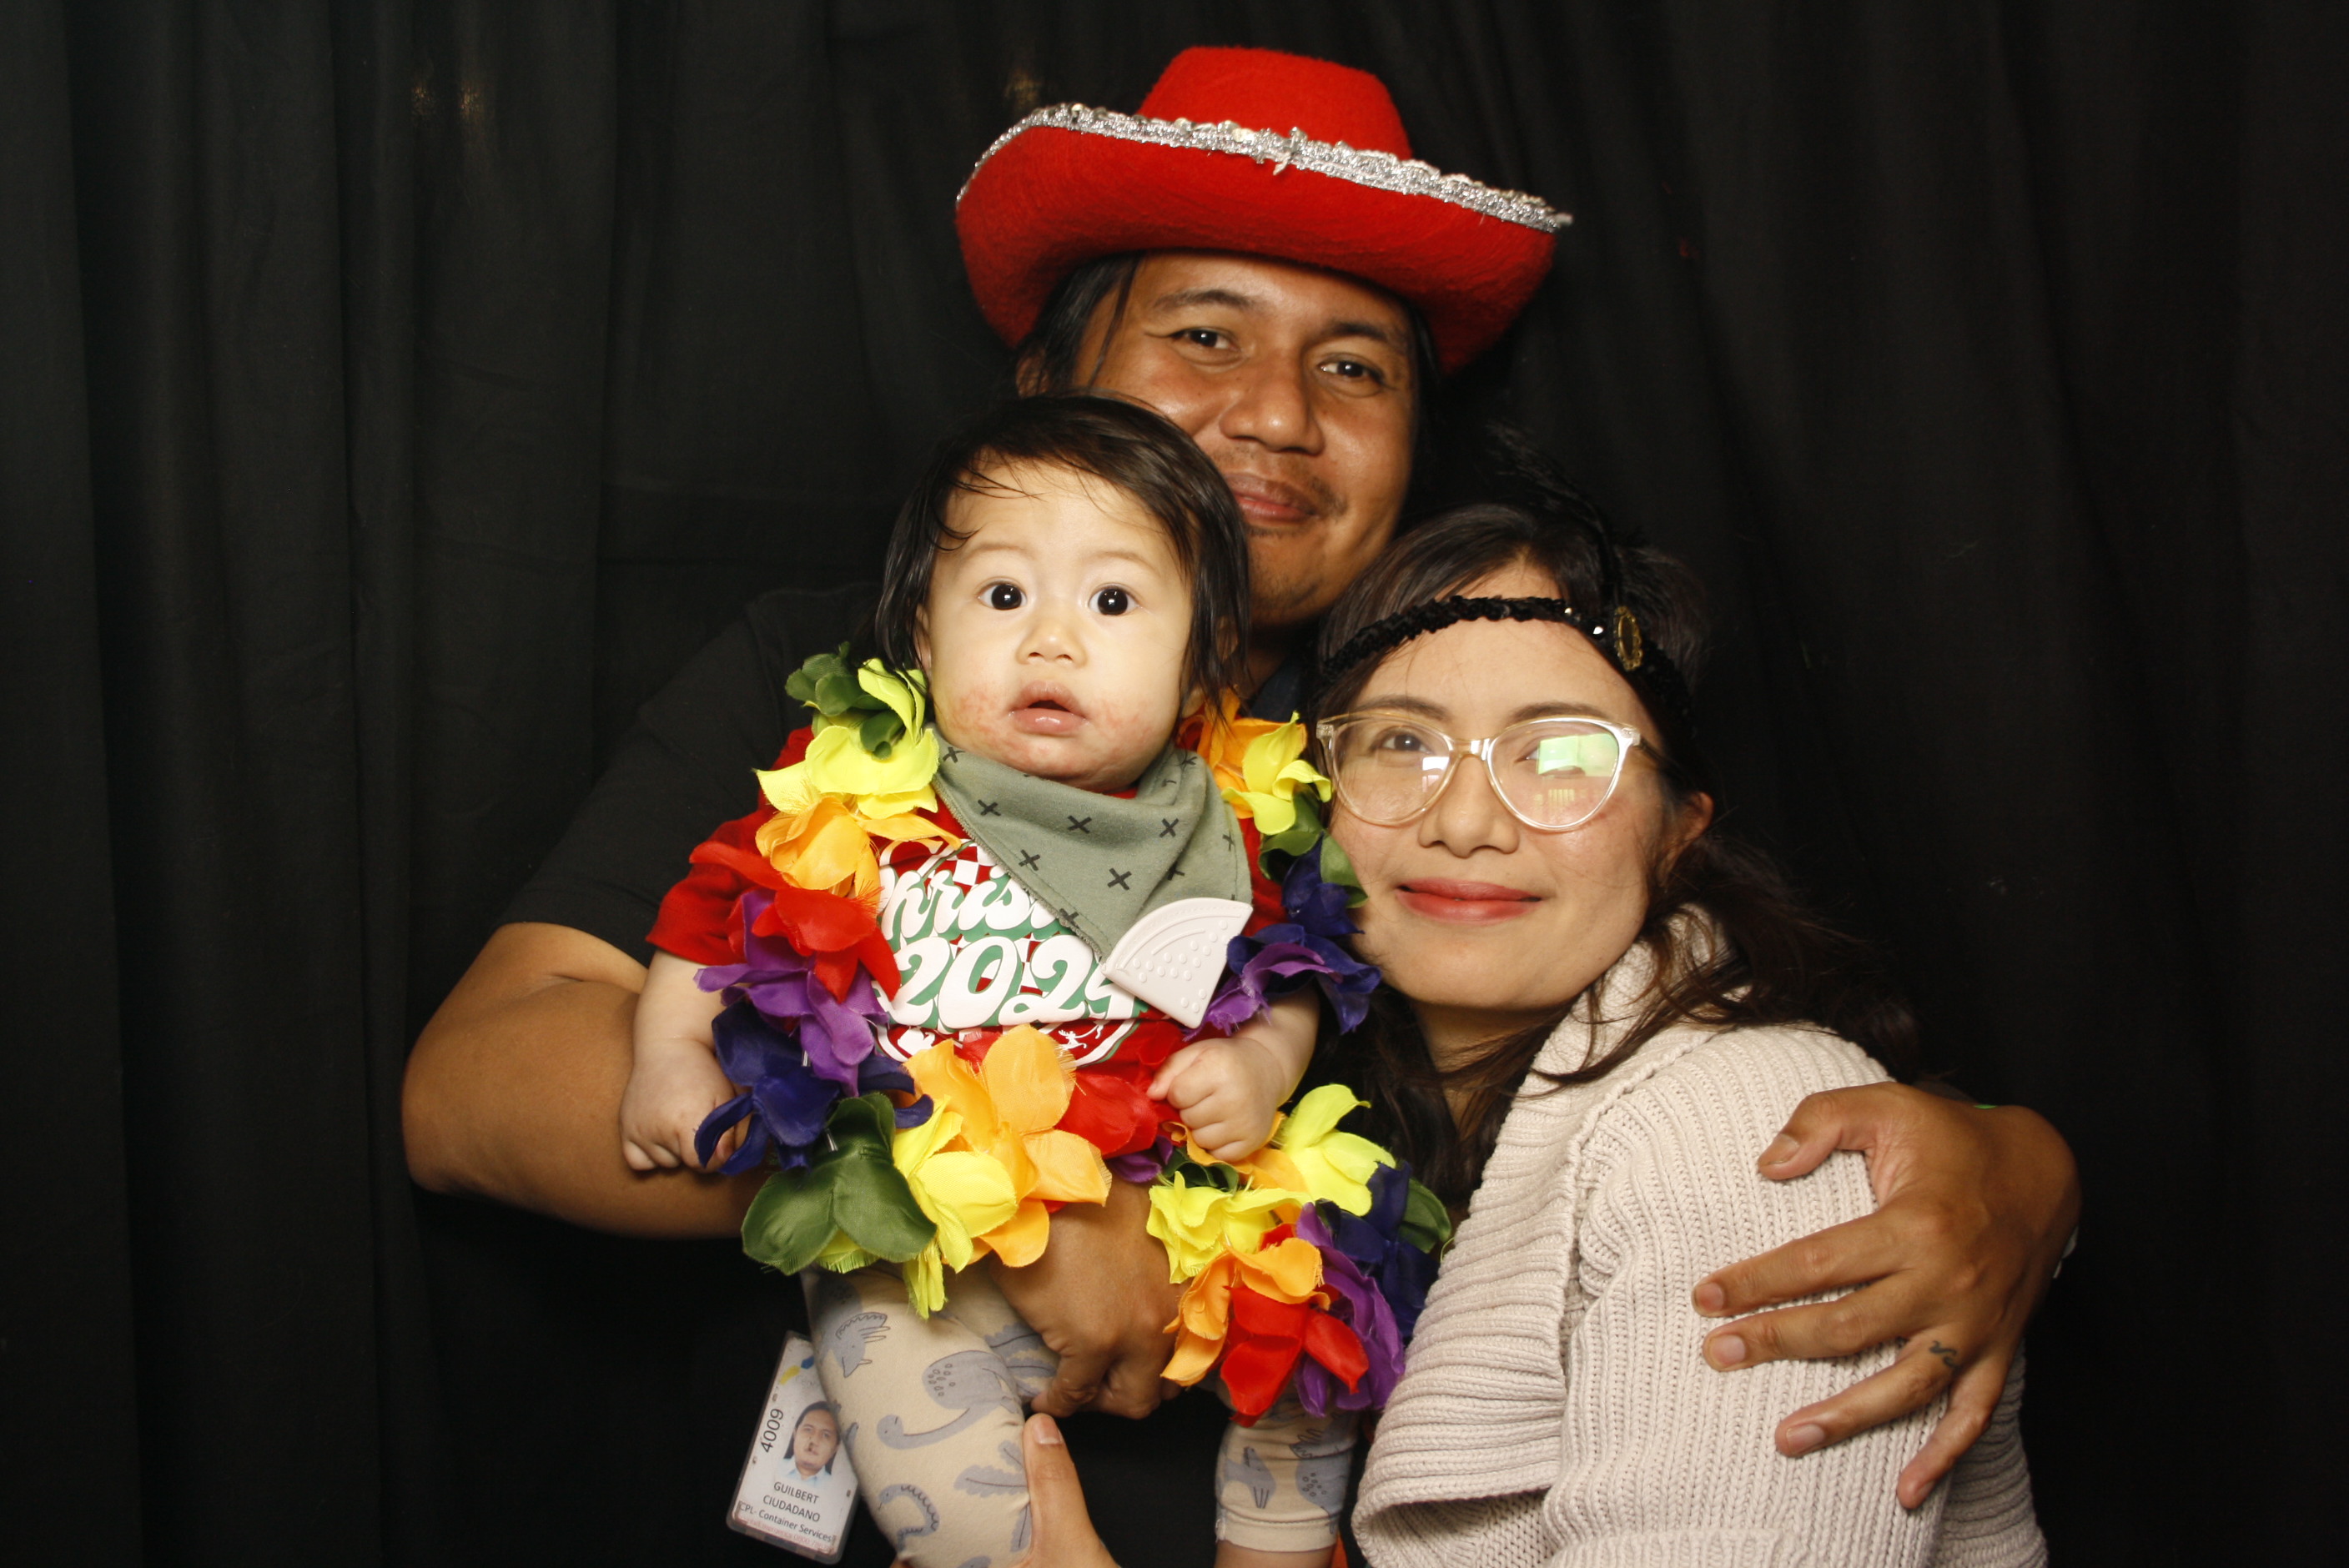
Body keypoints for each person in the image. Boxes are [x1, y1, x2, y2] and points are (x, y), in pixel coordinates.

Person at [401, 44, 2080, 1550]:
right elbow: (476, 1083)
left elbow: (1689, 1065)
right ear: (1049, 389)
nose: (1275, 415)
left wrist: (2017, 1170)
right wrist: (987, 1201)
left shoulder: (1425, 718)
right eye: (1204, 335)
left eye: (1354, 368)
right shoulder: (841, 669)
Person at [1020, 500, 2047, 1565]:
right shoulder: (1308, 1092)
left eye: (1559, 754)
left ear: (1678, 830)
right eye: (1401, 742)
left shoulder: (1747, 1126)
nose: (1465, 820)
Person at [623, 393, 1398, 1567]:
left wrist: (1262, 1058)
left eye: (1114, 602)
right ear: (924, 641)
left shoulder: (1217, 826)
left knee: (1312, 1300)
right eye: (1001, 597)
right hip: (926, 1252)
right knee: (888, 1375)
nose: (1051, 640)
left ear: (1200, 665)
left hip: (1171, 1221)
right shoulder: (870, 808)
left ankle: (1274, 1549)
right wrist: (669, 1057)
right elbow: (715, 909)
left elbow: (1288, 965)